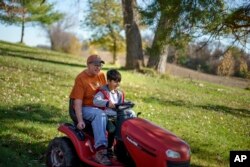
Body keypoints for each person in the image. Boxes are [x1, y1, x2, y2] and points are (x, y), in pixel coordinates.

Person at [69, 54, 111, 166]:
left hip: (99, 105)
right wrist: (80, 120)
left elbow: (106, 92)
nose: (98, 68)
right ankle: (100, 151)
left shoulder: (101, 75)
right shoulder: (81, 78)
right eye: (96, 65)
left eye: (100, 65)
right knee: (100, 114)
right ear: (88, 65)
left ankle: (118, 147)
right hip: (85, 107)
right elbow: (77, 102)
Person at [93, 69, 135, 154]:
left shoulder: (119, 93)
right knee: (112, 129)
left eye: (119, 81)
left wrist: (128, 103)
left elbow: (121, 103)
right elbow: (95, 101)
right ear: (108, 81)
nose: (118, 84)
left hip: (117, 116)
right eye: (115, 81)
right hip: (107, 117)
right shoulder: (103, 92)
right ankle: (109, 147)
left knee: (126, 127)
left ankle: (124, 147)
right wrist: (107, 103)